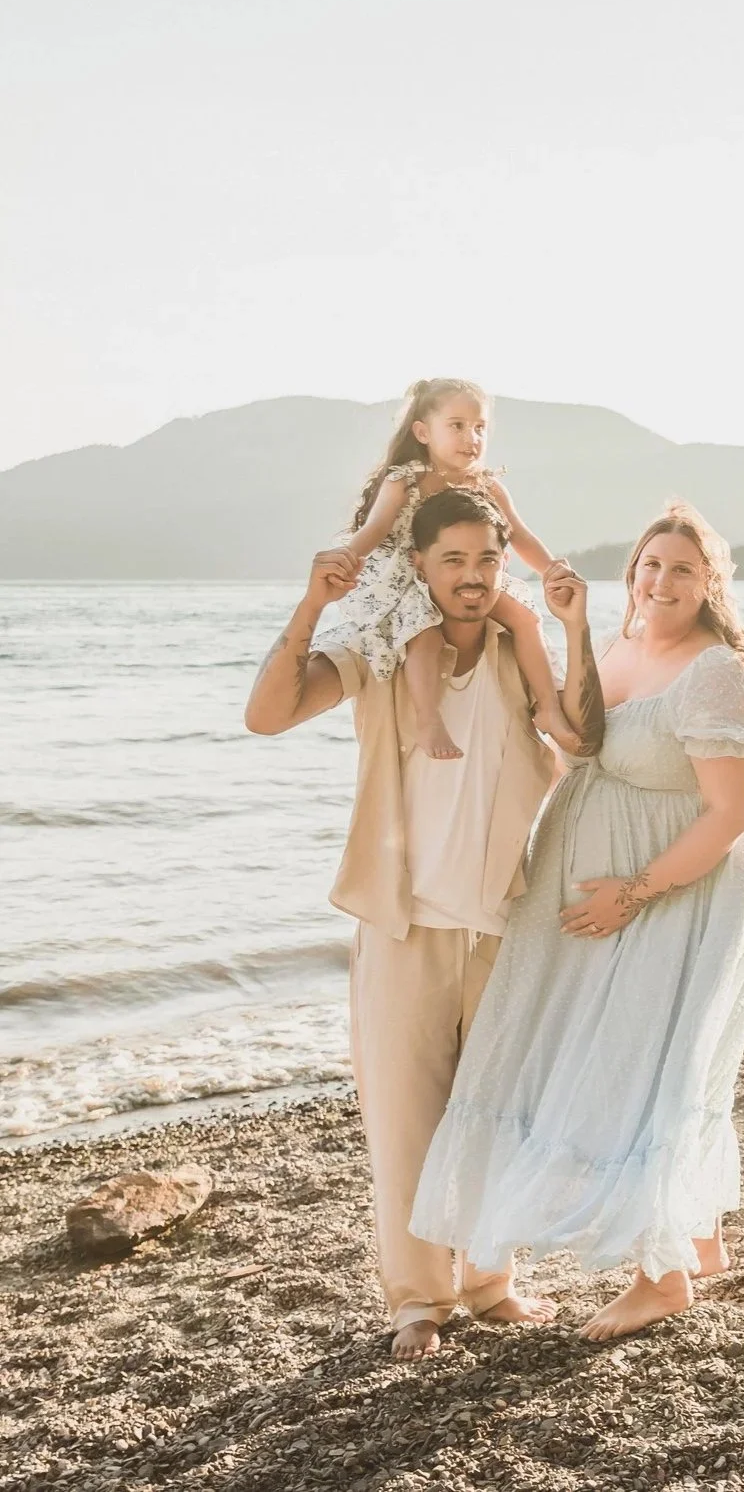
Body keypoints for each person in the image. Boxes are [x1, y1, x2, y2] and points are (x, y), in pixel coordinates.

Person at [243, 486, 604, 1360]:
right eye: (454, 560)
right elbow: (267, 713)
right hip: (403, 929)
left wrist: (574, 626)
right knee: (407, 1125)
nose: (474, 576)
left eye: (488, 559)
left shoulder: (521, 656)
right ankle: (419, 1299)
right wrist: (311, 605)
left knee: (491, 1116)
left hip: (502, 927)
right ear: (419, 567)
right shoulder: (378, 654)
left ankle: (488, 1283)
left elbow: (584, 738)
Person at [411, 501, 744, 1341]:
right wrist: (568, 625)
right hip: (590, 880)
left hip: (681, 884)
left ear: (711, 581)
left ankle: (661, 1275)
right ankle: (697, 1234)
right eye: (651, 564)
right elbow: (579, 734)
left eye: (683, 568)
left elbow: (727, 817)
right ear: (632, 573)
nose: (662, 580)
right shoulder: (621, 644)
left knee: (642, 1055)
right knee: (583, 1043)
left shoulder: (717, 669)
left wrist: (632, 892)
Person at [328, 376, 576, 760]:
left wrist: (552, 570)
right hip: (410, 580)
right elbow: (374, 530)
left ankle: (548, 707)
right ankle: (428, 720)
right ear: (423, 432)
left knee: (526, 617)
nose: (471, 438)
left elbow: (520, 535)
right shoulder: (404, 482)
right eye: (457, 426)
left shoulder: (488, 486)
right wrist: (345, 559)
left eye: (479, 428)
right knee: (423, 631)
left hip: (471, 579)